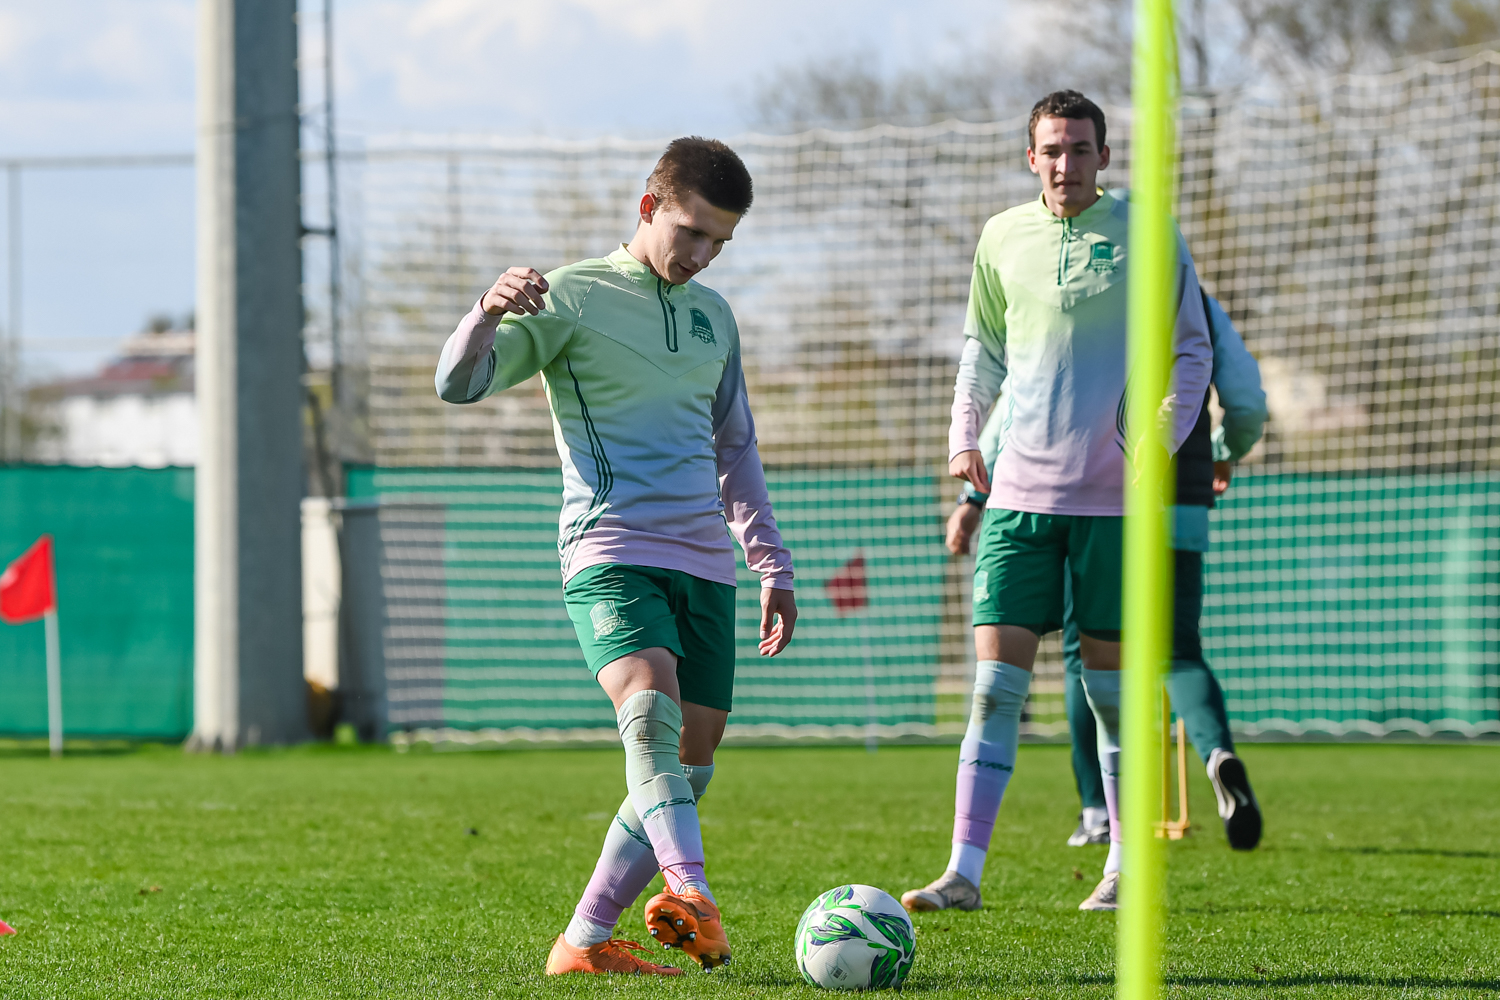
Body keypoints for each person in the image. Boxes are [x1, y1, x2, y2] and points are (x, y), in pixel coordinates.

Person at [434, 138, 798, 975]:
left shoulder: (715, 317)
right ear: (648, 207)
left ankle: (585, 941)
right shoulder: (571, 295)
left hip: (705, 561)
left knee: (689, 769)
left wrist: (769, 560)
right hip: (611, 547)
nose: (702, 255)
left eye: (720, 242)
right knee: (649, 709)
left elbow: (735, 447)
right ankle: (690, 889)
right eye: (691, 232)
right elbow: (458, 384)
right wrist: (485, 311)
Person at [901, 90, 1213, 915]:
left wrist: (1160, 437)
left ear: (1104, 157)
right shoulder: (1002, 237)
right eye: (1051, 149)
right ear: (1030, 157)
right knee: (993, 690)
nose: (1065, 163)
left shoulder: (1149, 234)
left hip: (1116, 509)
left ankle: (1124, 867)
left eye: (1079, 149)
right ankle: (962, 873)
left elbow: (1191, 351)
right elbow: (982, 350)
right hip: (1016, 503)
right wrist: (964, 438)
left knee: (1110, 697)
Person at [946, 286, 1269, 852]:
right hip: (1182, 497)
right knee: (1178, 648)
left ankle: (1097, 809)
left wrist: (975, 495)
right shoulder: (1190, 293)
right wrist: (1226, 448)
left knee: (1084, 652)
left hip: (1101, 494)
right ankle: (1217, 752)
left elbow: (1026, 393)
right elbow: (1244, 395)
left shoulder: (1082, 289)